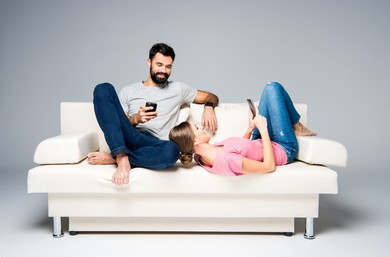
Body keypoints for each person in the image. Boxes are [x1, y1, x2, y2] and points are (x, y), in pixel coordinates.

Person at [87, 43, 219, 185]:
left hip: (157, 145)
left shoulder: (178, 89)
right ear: (149, 62)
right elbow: (117, 124)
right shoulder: (129, 91)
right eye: (159, 65)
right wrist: (136, 119)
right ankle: (121, 155)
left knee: (173, 150)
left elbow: (211, 97)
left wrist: (209, 107)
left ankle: (117, 158)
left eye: (168, 67)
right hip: (131, 136)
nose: (163, 70)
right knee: (103, 88)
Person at [169, 81, 316, 176]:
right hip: (282, 148)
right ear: (194, 142)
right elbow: (269, 166)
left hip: (258, 141)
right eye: (197, 127)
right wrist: (263, 130)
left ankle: (295, 125)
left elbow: (239, 149)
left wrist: (250, 129)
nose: (201, 125)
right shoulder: (227, 160)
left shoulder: (201, 154)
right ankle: (297, 126)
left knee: (268, 88)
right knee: (273, 87)